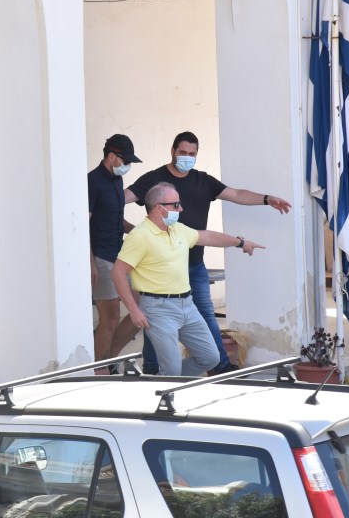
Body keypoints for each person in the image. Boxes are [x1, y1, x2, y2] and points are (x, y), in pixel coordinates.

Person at [123, 131, 291, 374]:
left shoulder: (203, 181)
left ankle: (217, 366)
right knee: (157, 323)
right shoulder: (154, 179)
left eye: (192, 154)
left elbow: (235, 195)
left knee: (205, 315)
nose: (187, 158)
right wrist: (128, 227)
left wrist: (266, 199)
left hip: (193, 265)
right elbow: (121, 198)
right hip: (159, 270)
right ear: (172, 151)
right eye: (183, 153)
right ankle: (154, 370)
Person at [112, 182, 264, 376]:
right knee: (172, 369)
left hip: (187, 305)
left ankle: (161, 384)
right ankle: (168, 388)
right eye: (176, 205)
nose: (181, 209)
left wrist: (240, 242)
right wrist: (134, 310)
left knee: (210, 358)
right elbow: (118, 272)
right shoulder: (139, 236)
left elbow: (207, 237)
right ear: (159, 208)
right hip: (158, 309)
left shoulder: (177, 229)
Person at [88, 134, 142, 361]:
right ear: (112, 157)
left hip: (121, 255)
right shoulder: (92, 181)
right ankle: (97, 368)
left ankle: (110, 359)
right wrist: (90, 262)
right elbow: (82, 225)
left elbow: (117, 218)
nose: (128, 165)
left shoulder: (117, 180)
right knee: (110, 318)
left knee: (139, 311)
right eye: (125, 160)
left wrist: (140, 232)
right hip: (100, 256)